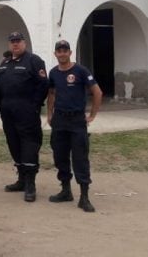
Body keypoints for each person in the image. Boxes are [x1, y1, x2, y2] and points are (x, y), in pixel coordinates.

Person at [46, 40, 102, 213]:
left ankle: (84, 197)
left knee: (80, 158)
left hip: (77, 121)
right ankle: (65, 191)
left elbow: (97, 92)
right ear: (55, 54)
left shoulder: (81, 71)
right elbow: (52, 93)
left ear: (70, 53)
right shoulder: (53, 73)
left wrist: (92, 115)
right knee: (60, 156)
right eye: (59, 51)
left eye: (65, 51)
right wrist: (49, 114)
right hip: (60, 121)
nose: (62, 54)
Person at [0, 31, 48, 202]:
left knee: (29, 146)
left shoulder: (34, 61)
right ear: (9, 45)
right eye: (12, 42)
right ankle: (21, 179)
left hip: (27, 112)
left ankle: (30, 184)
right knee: (14, 144)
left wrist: (34, 105)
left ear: (24, 43)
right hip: (8, 113)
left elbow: (43, 84)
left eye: (18, 41)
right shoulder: (5, 62)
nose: (15, 44)